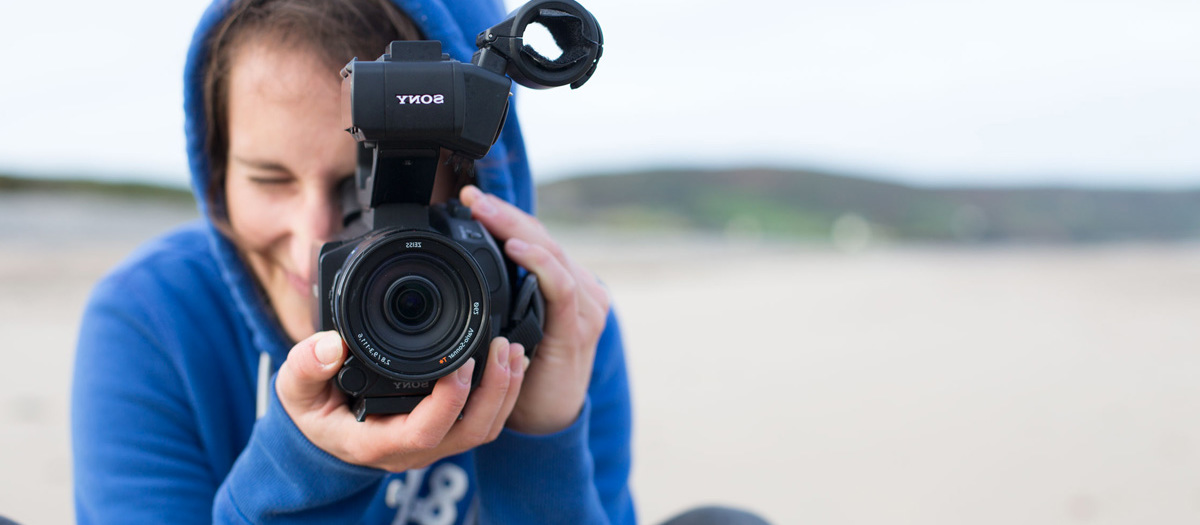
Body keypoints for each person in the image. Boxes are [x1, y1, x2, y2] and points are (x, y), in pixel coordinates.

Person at [71, 0, 632, 523]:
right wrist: (303, 470)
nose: (314, 235)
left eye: (359, 188)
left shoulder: (564, 326)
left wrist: (539, 448)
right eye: (269, 179)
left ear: (476, 180)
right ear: (216, 178)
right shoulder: (157, 319)